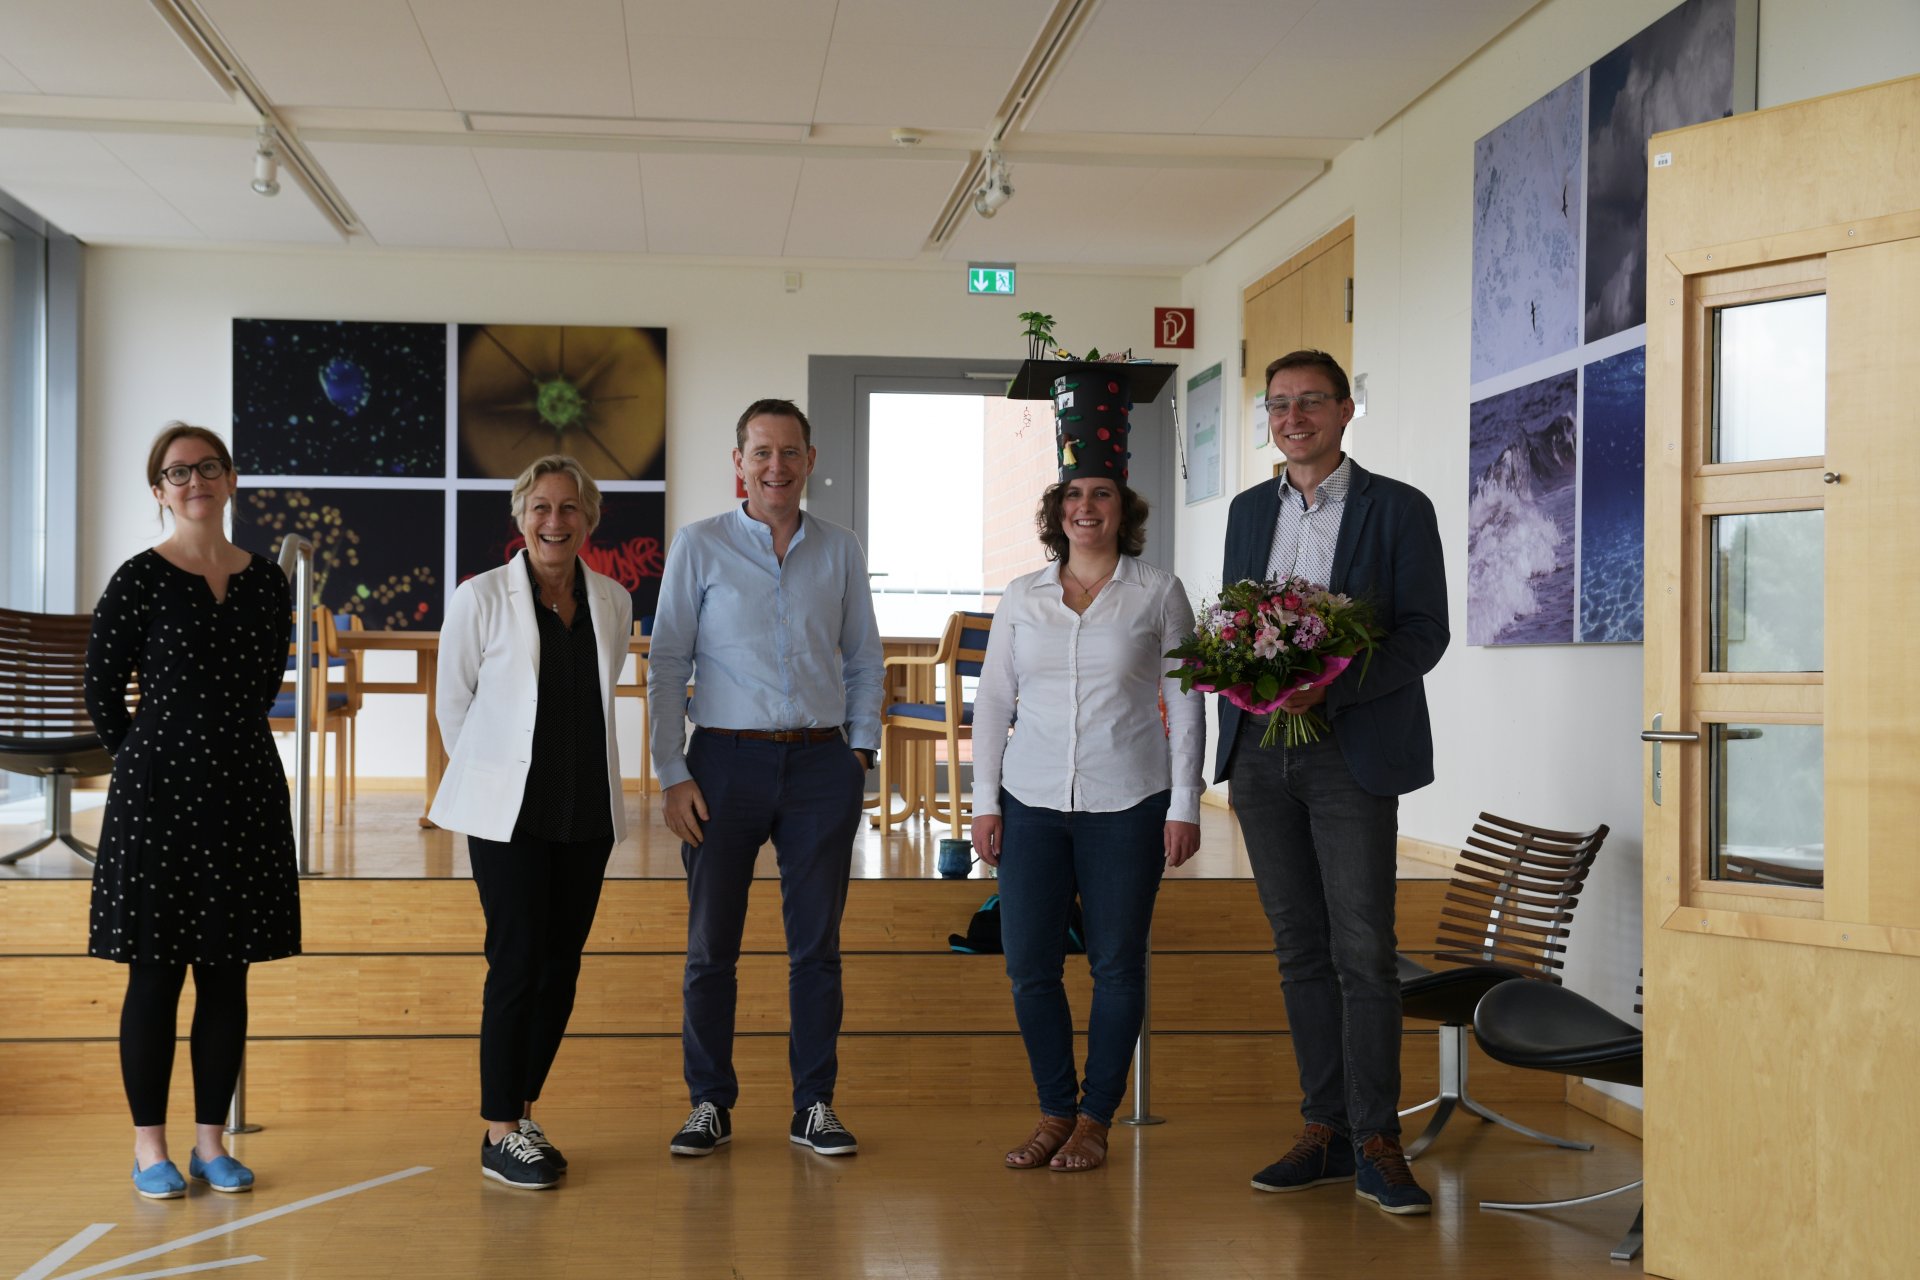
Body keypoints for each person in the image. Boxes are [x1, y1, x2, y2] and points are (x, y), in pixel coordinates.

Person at [1218, 349, 1449, 1215]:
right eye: (1278, 404)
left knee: (1363, 952)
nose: (1293, 416)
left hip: (1350, 751)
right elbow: (1236, 619)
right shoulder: (1249, 510)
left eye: (1311, 400)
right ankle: (1323, 1129)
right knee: (1299, 951)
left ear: (1347, 411)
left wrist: (1336, 685)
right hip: (1259, 753)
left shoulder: (1397, 508)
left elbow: (1425, 632)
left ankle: (1377, 1139)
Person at [970, 365, 1204, 1174]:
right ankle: (1053, 1110)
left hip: (1129, 802)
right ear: (1056, 513)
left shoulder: (1157, 593)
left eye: (1100, 495)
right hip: (1031, 801)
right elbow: (994, 700)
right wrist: (983, 801)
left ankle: (1097, 1118)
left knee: (1115, 963)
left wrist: (1186, 804)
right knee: (1029, 964)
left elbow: (1191, 700)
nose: (1086, 509)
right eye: (1074, 498)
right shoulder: (1021, 596)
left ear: (1122, 508)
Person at [648, 398, 883, 1159]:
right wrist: (671, 771)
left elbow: (861, 659)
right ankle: (708, 1103)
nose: (775, 467)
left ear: (810, 460)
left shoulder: (840, 549)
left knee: (816, 947)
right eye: (761, 453)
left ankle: (814, 1103)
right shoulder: (700, 545)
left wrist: (859, 754)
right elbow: (668, 663)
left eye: (789, 452)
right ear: (739, 463)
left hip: (821, 766)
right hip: (723, 763)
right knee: (711, 946)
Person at [84, 422, 301, 1199]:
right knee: (154, 975)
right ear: (158, 492)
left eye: (208, 467)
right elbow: (102, 692)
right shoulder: (138, 578)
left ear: (231, 479)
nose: (195, 481)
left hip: (243, 787)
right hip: (157, 798)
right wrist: (149, 760)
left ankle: (213, 1142)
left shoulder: (267, 580)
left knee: (227, 974)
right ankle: (151, 1148)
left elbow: (264, 681)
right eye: (178, 473)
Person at [429, 455, 633, 1190]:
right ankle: (499, 1130)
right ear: (521, 517)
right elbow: (455, 706)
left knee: (562, 968)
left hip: (587, 814)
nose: (556, 520)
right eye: (541, 507)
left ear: (589, 519)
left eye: (570, 508)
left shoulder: (612, 599)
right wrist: (491, 782)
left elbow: (599, 698)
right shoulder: (480, 598)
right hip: (508, 819)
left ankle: (521, 1107)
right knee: (516, 964)